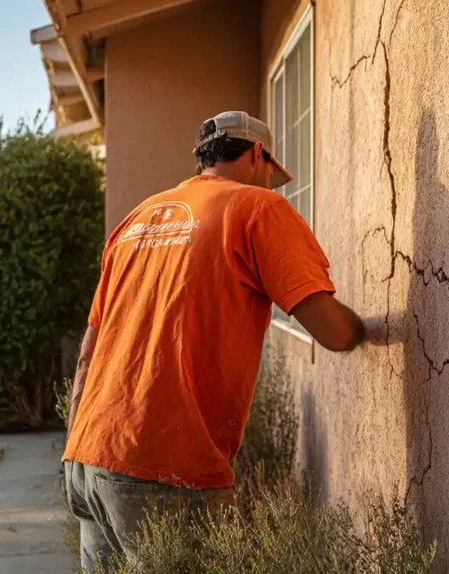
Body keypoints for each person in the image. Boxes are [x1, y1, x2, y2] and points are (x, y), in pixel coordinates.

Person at [62, 111, 365, 570]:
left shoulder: (137, 220)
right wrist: (373, 327)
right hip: (164, 467)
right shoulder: (258, 208)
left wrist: (75, 451)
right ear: (258, 154)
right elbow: (337, 333)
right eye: (270, 172)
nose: (270, 183)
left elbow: (89, 354)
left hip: (87, 455)